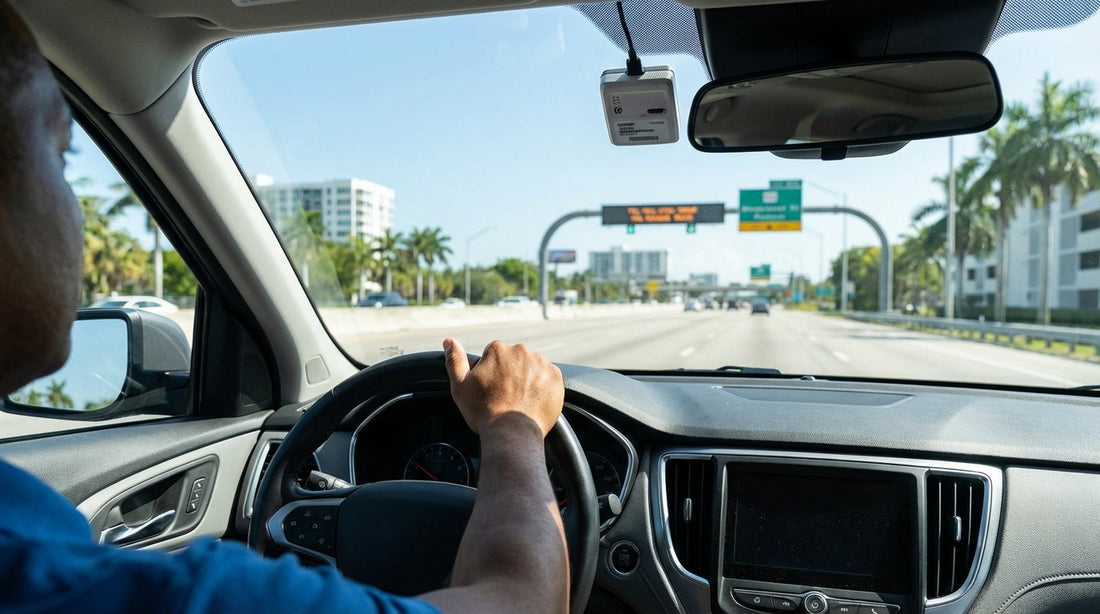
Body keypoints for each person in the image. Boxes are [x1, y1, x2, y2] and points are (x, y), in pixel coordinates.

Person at [0, 3, 568, 613]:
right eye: (62, 157)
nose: (77, 209)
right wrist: (513, 425)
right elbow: (523, 602)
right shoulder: (160, 597)